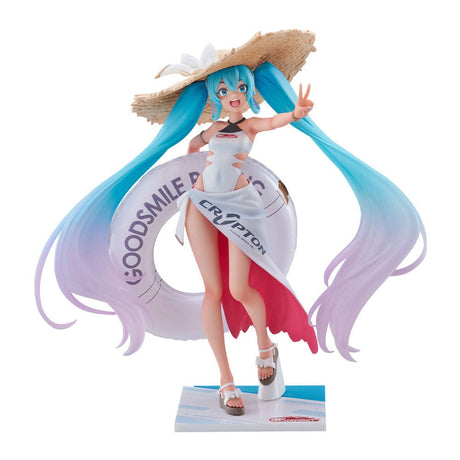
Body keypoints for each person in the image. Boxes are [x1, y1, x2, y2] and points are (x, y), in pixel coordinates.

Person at [35, 30, 426, 416]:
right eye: (223, 90)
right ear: (215, 96)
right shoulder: (212, 130)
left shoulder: (249, 127)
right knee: (213, 292)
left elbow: (274, 123)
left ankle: (264, 348)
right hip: (200, 206)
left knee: (239, 288)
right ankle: (226, 379)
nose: (232, 94)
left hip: (240, 206)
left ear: (249, 89)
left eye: (238, 87)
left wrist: (296, 114)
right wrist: (197, 159)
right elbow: (192, 148)